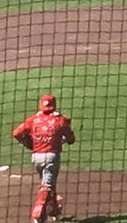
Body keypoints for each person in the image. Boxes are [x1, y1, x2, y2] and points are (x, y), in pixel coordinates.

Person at [13, 94, 75, 223]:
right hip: (52, 158)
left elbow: (16, 133)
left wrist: (28, 143)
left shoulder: (33, 119)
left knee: (48, 184)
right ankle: (38, 213)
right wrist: (63, 135)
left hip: (36, 158)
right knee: (47, 186)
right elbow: (71, 140)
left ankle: (54, 212)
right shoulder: (60, 120)